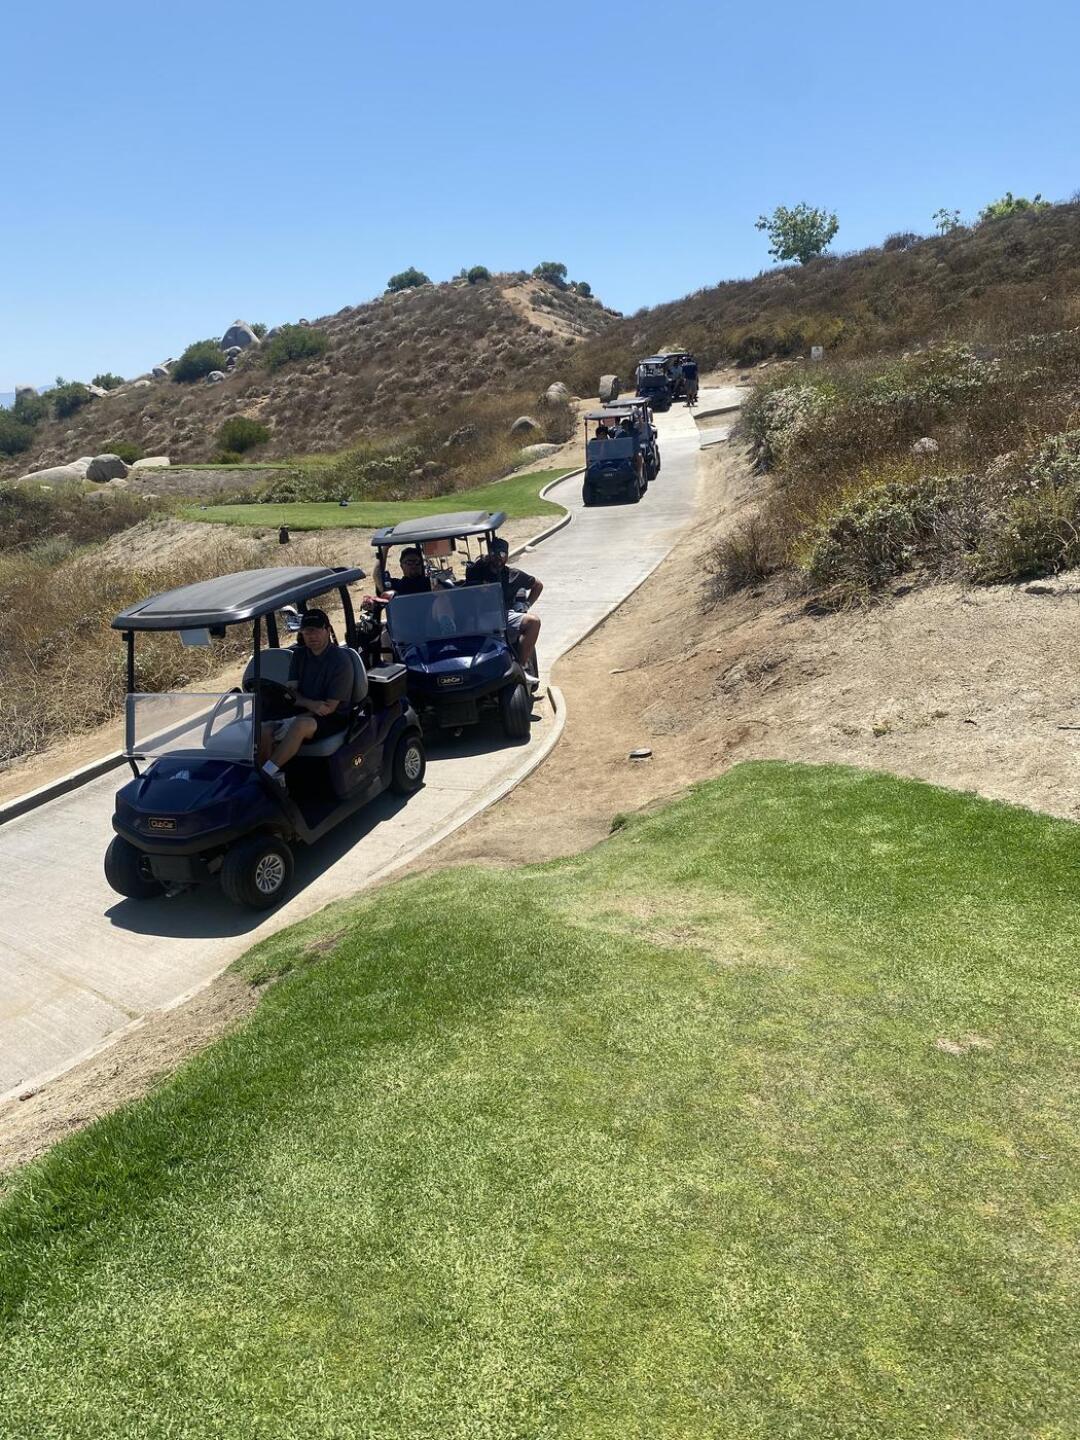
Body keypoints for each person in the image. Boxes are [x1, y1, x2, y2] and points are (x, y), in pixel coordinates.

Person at [258, 609, 354, 784]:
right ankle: (271, 781)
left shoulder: (340, 661)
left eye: (316, 630)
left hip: (333, 717)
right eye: (307, 631)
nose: (312, 636)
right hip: (306, 710)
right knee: (264, 729)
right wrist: (307, 703)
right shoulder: (300, 655)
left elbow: (328, 708)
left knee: (300, 725)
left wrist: (302, 705)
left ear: (327, 629)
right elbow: (292, 691)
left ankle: (265, 775)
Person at [465, 537, 543, 677]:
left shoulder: (513, 575)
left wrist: (526, 604)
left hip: (504, 615)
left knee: (534, 622)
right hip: (478, 617)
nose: (498, 558)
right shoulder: (477, 571)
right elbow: (467, 584)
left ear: (506, 556)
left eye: (502, 554)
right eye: (494, 554)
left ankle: (522, 666)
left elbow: (538, 585)